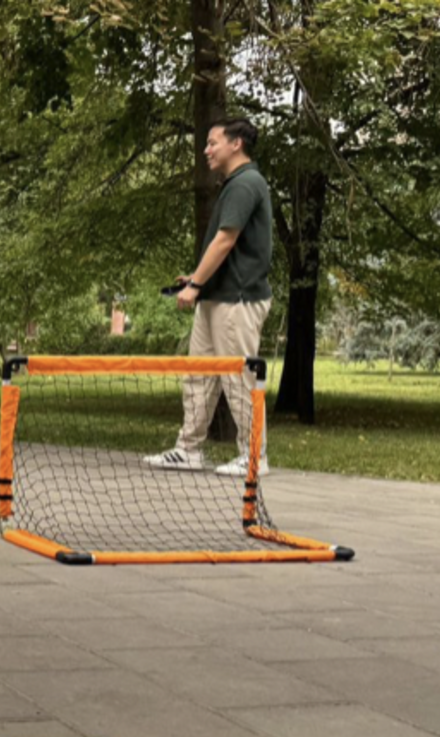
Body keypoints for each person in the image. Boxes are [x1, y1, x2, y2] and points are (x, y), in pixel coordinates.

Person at [144, 117, 273, 477]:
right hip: (216, 297)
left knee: (238, 379)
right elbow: (227, 248)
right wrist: (197, 278)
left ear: (236, 144)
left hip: (237, 301)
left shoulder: (246, 183)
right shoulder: (234, 184)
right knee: (198, 375)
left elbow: (226, 239)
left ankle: (254, 456)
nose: (206, 150)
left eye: (213, 142)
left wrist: (196, 285)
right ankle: (188, 450)